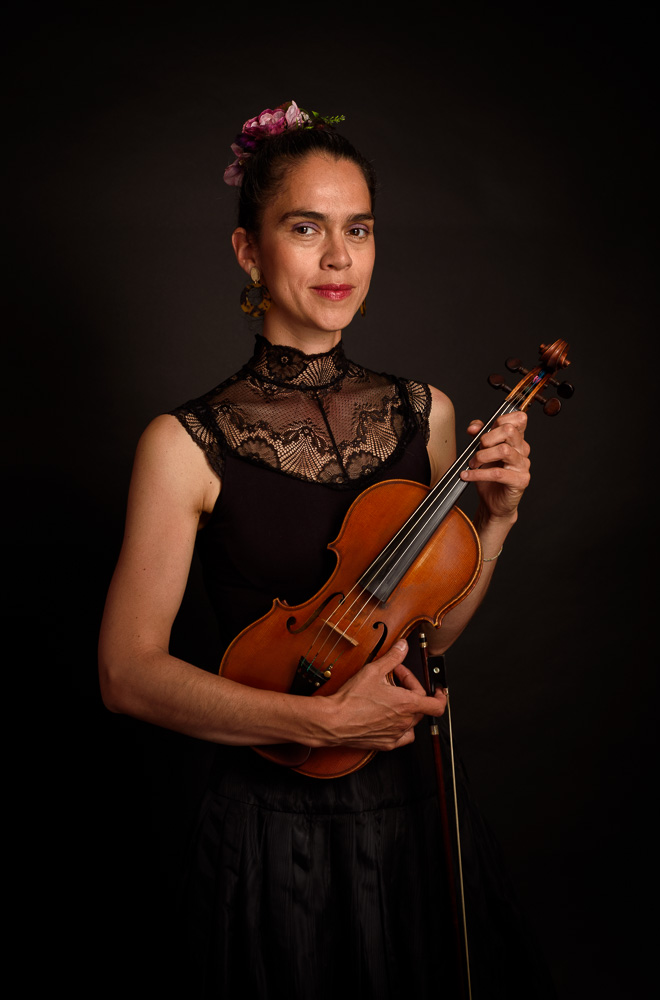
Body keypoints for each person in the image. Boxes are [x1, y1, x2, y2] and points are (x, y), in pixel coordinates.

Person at [99, 102, 552, 998]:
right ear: (249, 250)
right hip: (269, 827)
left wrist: (494, 525)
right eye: (306, 228)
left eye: (359, 230)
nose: (339, 258)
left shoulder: (428, 416)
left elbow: (421, 639)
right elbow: (126, 675)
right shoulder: (183, 443)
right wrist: (318, 724)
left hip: (415, 808)